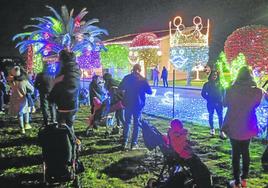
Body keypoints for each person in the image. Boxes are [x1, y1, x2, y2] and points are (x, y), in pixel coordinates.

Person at [222, 66, 263, 188]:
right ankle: (244, 179)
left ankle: (236, 181)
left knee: (235, 153)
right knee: (246, 152)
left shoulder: (230, 89)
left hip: (233, 125)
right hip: (248, 125)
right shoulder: (257, 91)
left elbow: (224, 103)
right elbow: (256, 105)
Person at [167, 119, 212, 188]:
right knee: (198, 166)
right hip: (183, 155)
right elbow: (179, 141)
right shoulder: (175, 135)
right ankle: (202, 182)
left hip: (184, 152)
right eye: (180, 128)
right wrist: (184, 133)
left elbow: (182, 140)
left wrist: (188, 141)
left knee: (198, 162)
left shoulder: (174, 133)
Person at [119, 64, 152, 150]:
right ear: (140, 70)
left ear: (132, 69)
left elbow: (120, 87)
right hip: (138, 104)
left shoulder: (127, 78)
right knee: (136, 124)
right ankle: (133, 143)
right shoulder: (143, 79)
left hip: (128, 103)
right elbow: (149, 91)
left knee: (127, 122)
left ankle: (124, 142)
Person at [49, 49, 81, 132]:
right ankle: (72, 141)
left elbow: (56, 88)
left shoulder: (62, 72)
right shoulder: (76, 70)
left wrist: (51, 97)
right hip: (74, 103)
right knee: (70, 125)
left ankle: (66, 143)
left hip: (63, 105)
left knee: (62, 129)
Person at [8, 66, 34, 133]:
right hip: (22, 98)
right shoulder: (24, 81)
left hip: (14, 98)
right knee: (25, 111)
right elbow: (32, 89)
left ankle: (22, 128)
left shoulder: (12, 81)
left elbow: (9, 76)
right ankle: (26, 124)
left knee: (19, 114)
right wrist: (28, 92)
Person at [201, 71, 226, 138]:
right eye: (213, 75)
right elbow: (203, 93)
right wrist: (208, 98)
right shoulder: (207, 84)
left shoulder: (220, 84)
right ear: (210, 76)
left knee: (220, 116)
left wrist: (223, 100)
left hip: (219, 103)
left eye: (216, 75)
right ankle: (212, 129)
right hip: (210, 103)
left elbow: (224, 92)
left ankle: (221, 131)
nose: (214, 76)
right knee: (211, 115)